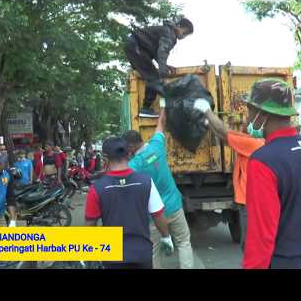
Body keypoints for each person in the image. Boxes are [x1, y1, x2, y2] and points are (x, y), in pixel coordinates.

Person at [198, 79, 301, 269]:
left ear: (262, 114)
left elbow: (261, 236)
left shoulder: (263, 160)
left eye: (250, 111)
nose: (248, 119)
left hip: (282, 261)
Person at [85, 137, 174, 269]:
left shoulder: (97, 188)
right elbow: (158, 215)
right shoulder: (146, 182)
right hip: (142, 252)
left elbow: (90, 225)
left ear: (105, 158)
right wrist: (166, 237)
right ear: (129, 154)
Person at [123, 109, 194, 269]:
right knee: (183, 242)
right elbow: (161, 124)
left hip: (153, 215)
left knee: (152, 251)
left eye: (126, 148)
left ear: (131, 146)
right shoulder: (156, 146)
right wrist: (163, 107)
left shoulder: (134, 165)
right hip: (174, 206)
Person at [192, 99, 264, 251]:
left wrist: (207, 111)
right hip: (249, 199)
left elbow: (225, 133)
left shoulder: (253, 143)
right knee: (250, 244)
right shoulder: (253, 140)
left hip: (250, 201)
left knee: (251, 246)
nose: (245, 122)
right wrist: (208, 124)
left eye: (248, 119)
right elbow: (226, 136)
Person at [125, 17, 194, 118]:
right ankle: (174, 102)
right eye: (184, 33)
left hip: (135, 47)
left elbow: (157, 52)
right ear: (178, 26)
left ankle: (146, 108)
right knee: (155, 79)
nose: (183, 36)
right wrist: (164, 74)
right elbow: (163, 51)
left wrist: (165, 66)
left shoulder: (166, 30)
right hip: (136, 47)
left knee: (151, 76)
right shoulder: (170, 34)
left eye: (186, 35)